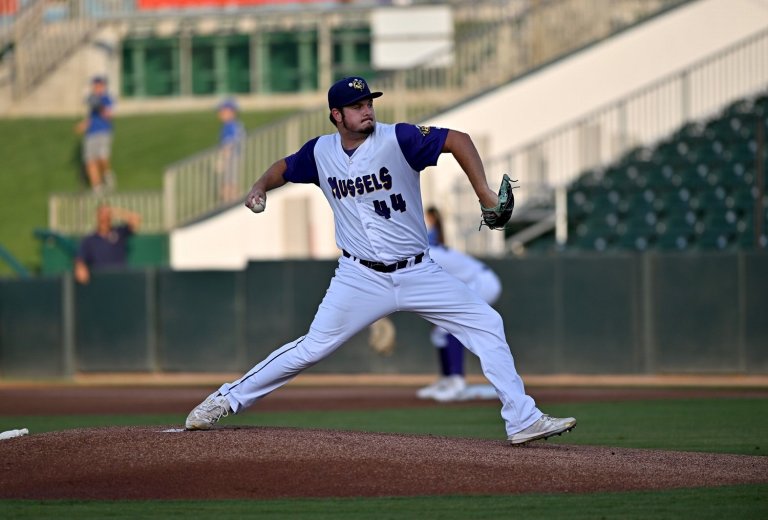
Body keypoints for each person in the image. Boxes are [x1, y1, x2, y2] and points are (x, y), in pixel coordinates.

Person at [185, 76, 576, 445]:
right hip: (359, 276)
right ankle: (225, 399)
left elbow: (459, 139)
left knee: (487, 323)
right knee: (311, 347)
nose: (366, 109)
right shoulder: (320, 152)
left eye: (368, 101)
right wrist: (258, 186)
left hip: (418, 270)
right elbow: (285, 168)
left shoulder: (398, 139)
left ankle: (522, 419)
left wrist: (484, 193)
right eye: (356, 105)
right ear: (336, 116)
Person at [416, 206, 502, 402]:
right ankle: (448, 379)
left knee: (447, 328)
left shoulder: (427, 255)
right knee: (440, 329)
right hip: (476, 281)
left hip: (483, 282)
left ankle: (457, 382)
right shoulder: (428, 250)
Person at [74, 205, 140, 285]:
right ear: (97, 216)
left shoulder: (119, 232)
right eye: (102, 214)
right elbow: (80, 259)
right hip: (100, 281)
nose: (105, 217)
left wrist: (116, 212)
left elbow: (136, 219)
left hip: (120, 279)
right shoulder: (90, 240)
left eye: (107, 214)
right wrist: (80, 268)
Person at [75, 76, 116, 194]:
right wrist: (83, 125)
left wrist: (100, 106)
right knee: (89, 160)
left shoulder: (107, 99)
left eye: (98, 86)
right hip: (91, 133)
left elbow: (109, 115)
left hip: (103, 132)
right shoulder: (92, 100)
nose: (95, 88)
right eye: (94, 86)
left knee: (102, 158)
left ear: (103, 86)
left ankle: (107, 175)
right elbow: (91, 118)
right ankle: (96, 187)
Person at [216, 98, 246, 203]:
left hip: (231, 158)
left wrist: (222, 161)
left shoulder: (230, 126)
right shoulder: (235, 125)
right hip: (235, 157)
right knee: (230, 182)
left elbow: (228, 144)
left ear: (231, 112)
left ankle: (230, 203)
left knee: (228, 184)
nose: (220, 114)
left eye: (222, 112)